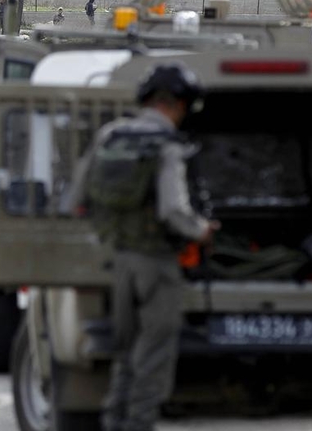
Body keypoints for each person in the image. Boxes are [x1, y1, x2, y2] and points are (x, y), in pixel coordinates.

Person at [77, 63, 218, 431]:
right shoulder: (168, 146)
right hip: (157, 263)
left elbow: (77, 195)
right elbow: (173, 210)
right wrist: (201, 231)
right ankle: (139, 424)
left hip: (120, 260)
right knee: (153, 355)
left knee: (125, 353)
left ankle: (115, 421)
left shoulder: (111, 135)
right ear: (178, 104)